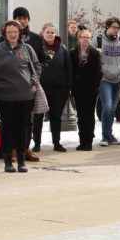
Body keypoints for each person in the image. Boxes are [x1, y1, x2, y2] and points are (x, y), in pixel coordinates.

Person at [0, 20, 39, 173]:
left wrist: (32, 81)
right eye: (9, 32)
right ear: (4, 33)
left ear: (19, 33)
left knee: (22, 128)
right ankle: (8, 161)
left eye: (15, 32)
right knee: (7, 127)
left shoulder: (27, 48)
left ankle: (22, 161)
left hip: (25, 96)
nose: (12, 34)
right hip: (4, 96)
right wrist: (1, 77)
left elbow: (37, 66)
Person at [31, 23, 72, 153]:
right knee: (38, 117)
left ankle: (56, 143)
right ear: (42, 33)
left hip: (58, 89)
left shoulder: (62, 48)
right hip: (40, 88)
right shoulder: (36, 47)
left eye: (52, 32)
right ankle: (37, 143)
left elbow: (68, 69)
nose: (50, 34)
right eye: (48, 32)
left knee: (56, 117)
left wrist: (67, 88)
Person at [92, 18, 120, 147]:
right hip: (104, 79)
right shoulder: (98, 40)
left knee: (113, 108)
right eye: (113, 27)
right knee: (107, 107)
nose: (115, 30)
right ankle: (104, 136)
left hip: (118, 80)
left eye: (117, 28)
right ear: (107, 27)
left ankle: (109, 134)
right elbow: (91, 57)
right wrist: (100, 71)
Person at [70, 29, 102, 151]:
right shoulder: (73, 53)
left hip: (91, 90)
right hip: (78, 90)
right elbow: (71, 72)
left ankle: (88, 141)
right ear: (78, 39)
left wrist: (94, 87)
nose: (85, 40)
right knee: (81, 116)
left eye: (88, 38)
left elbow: (98, 72)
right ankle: (82, 140)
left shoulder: (94, 54)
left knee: (89, 115)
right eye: (83, 37)